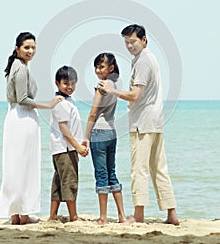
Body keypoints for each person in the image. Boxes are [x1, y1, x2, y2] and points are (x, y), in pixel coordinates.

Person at [98, 25, 179, 225]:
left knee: (139, 169)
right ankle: (171, 214)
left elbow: (136, 95)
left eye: (132, 41)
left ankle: (139, 215)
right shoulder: (147, 59)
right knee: (159, 168)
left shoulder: (143, 61)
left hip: (143, 122)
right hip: (155, 120)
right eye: (126, 42)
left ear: (143, 39)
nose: (129, 45)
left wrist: (112, 90)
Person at [0, 32, 63, 225]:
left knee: (15, 167)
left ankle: (15, 214)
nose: (31, 51)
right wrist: (48, 105)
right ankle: (23, 214)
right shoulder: (21, 68)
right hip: (23, 119)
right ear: (17, 49)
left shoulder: (16, 67)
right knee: (26, 166)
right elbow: (23, 100)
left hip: (15, 117)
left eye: (33, 47)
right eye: (26, 47)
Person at [83, 53, 128, 225]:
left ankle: (103, 218)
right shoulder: (114, 85)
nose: (97, 70)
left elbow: (93, 113)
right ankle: (122, 216)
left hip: (99, 133)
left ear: (111, 68)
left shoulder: (102, 86)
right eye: (96, 67)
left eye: (101, 67)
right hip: (111, 132)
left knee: (101, 175)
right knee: (112, 174)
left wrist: (85, 136)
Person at [49, 65, 88, 222]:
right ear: (57, 83)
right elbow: (64, 128)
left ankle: (52, 215)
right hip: (66, 149)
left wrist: (81, 141)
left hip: (61, 149)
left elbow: (72, 126)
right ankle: (73, 216)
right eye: (66, 83)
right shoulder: (61, 103)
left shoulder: (67, 100)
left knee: (58, 182)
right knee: (70, 182)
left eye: (72, 83)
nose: (70, 86)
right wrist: (77, 147)